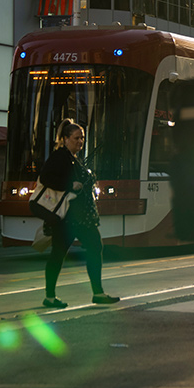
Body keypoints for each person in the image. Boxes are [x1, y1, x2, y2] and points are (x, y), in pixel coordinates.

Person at [39, 119, 120, 308]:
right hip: (69, 218)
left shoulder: (73, 158)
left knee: (92, 248)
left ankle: (96, 293)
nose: (80, 142)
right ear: (65, 139)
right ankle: (52, 296)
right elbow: (45, 178)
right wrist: (69, 185)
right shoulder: (60, 156)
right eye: (76, 138)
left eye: (82, 138)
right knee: (60, 254)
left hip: (81, 218)